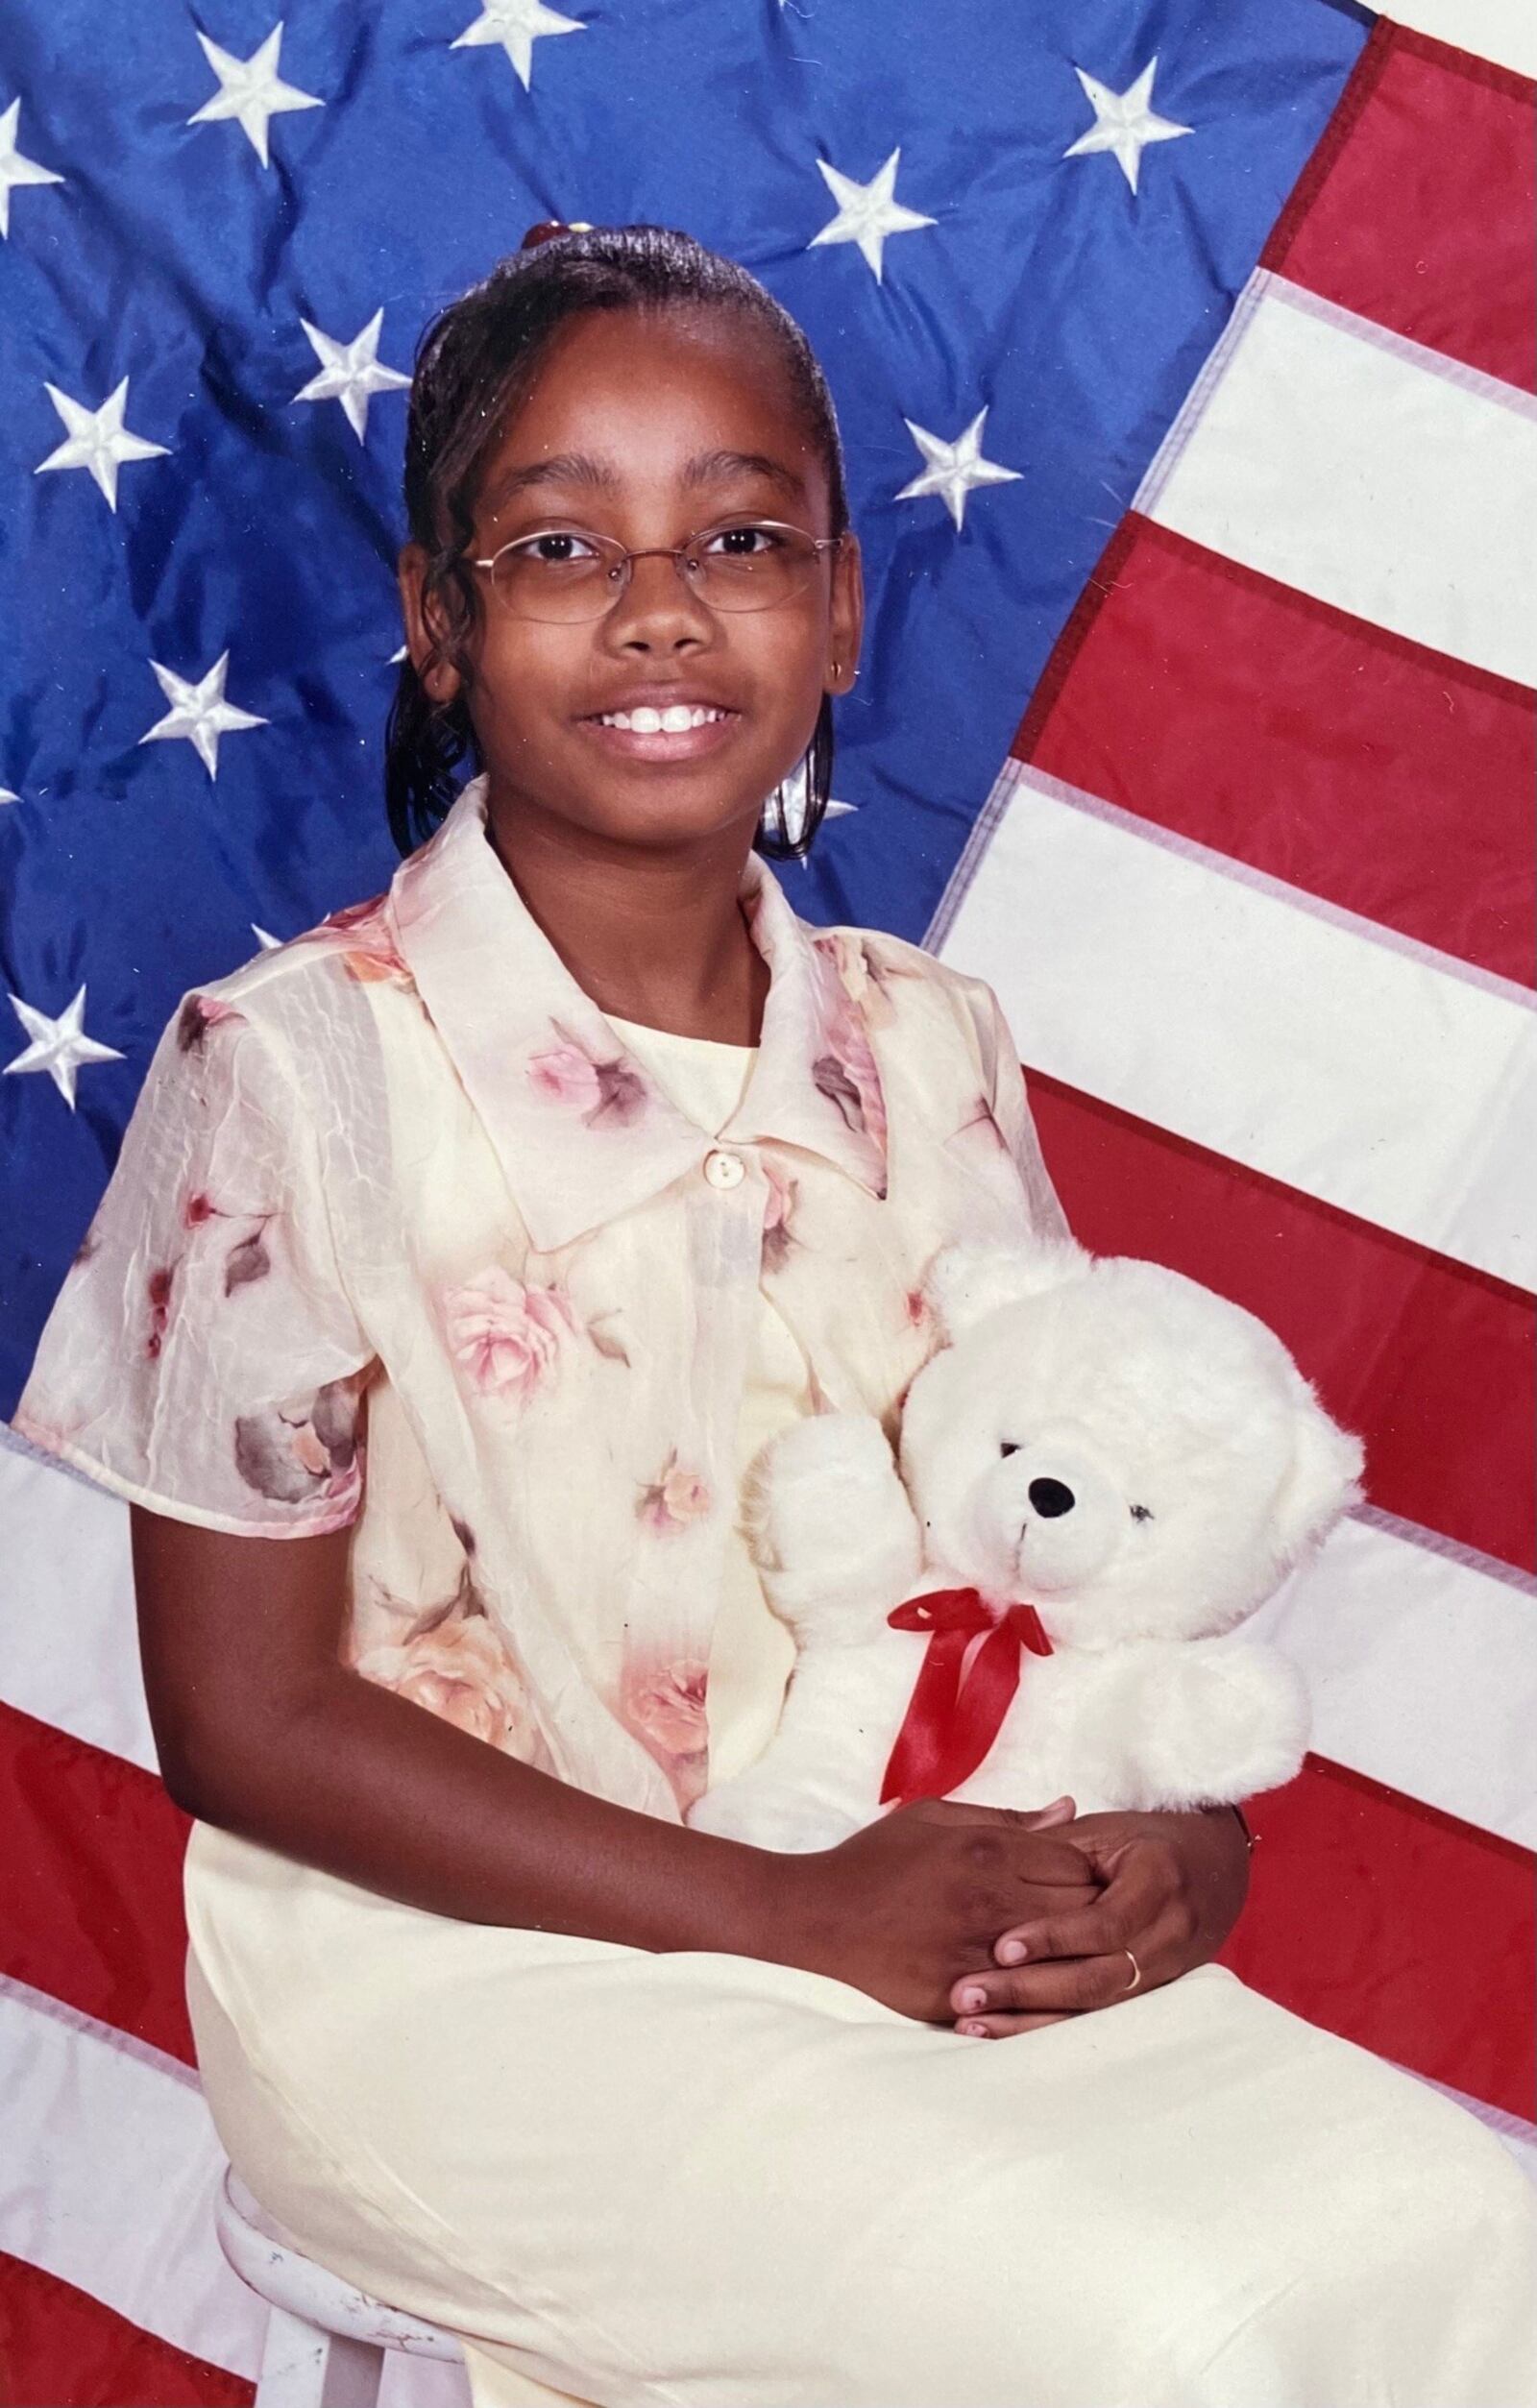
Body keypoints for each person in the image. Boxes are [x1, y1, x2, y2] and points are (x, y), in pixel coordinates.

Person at [13, 224, 1535, 2408]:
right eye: (558, 545)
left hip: (889, 1868)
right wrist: (795, 1918)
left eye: (737, 535)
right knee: (1154, 2342)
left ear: (836, 610)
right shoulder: (295, 1071)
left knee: (1453, 2231)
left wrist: (1176, 1850)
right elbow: (249, 1730)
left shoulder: (931, 1046)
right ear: (438, 626)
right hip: (454, 1970)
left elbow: (1051, 1549)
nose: (657, 604)